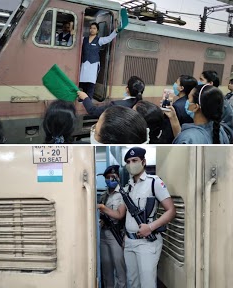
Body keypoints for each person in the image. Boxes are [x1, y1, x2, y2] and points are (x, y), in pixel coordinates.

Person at [122, 147, 175, 288]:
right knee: (132, 283)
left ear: (143, 162)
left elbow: (171, 210)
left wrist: (150, 227)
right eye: (128, 161)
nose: (131, 164)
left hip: (147, 243)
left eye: (135, 160)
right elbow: (125, 215)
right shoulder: (127, 188)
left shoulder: (154, 182)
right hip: (129, 242)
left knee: (147, 284)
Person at [97, 165, 127, 288]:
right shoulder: (104, 195)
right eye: (108, 178)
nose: (111, 180)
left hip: (116, 235)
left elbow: (119, 215)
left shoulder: (123, 194)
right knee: (106, 268)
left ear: (118, 178)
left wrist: (103, 208)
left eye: (113, 177)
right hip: (103, 234)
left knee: (119, 268)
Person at [79, 22, 118, 98]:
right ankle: (83, 97)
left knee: (91, 82)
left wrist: (115, 32)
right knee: (83, 82)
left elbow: (109, 38)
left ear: (97, 31)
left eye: (94, 28)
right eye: (91, 28)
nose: (92, 30)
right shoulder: (84, 39)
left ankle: (89, 99)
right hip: (84, 63)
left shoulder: (99, 40)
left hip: (94, 64)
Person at [78, 76, 145, 118]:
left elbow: (93, 111)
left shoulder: (116, 105)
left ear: (127, 89)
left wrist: (85, 98)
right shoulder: (142, 105)